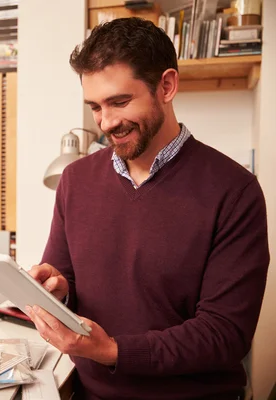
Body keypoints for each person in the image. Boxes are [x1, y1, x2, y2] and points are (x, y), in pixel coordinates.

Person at [25, 17, 270, 400]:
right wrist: (55, 291)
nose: (107, 122)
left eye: (120, 102)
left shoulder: (234, 190)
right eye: (95, 107)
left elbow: (225, 334)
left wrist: (111, 352)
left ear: (167, 86)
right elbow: (66, 279)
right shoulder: (75, 181)